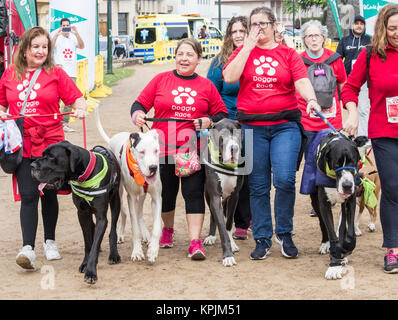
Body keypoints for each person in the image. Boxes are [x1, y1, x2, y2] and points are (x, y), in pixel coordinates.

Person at [223, 7, 321, 260]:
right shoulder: (242, 52)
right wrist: (247, 47)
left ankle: (284, 233)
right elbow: (230, 78)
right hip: (252, 127)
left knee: (286, 179)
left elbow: (301, 81)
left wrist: (310, 98)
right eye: (253, 24)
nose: (258, 29)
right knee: (258, 185)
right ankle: (263, 237)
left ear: (274, 26)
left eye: (262, 24)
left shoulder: (288, 54)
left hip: (284, 125)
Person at [130, 38, 228, 260]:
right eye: (180, 54)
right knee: (166, 194)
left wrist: (208, 121)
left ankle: (195, 242)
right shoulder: (160, 80)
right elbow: (138, 105)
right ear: (175, 57)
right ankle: (167, 230)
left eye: (190, 54)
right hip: (160, 151)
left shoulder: (206, 86)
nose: (184, 58)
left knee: (193, 193)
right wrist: (137, 115)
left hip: (191, 150)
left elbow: (221, 114)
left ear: (199, 59)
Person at [0, 26, 86, 270]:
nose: (40, 51)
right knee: (28, 195)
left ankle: (50, 241)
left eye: (44, 47)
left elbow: (77, 98)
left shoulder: (56, 73)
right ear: (24, 48)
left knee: (48, 193)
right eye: (35, 46)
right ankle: (28, 248)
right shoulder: (9, 74)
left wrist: (79, 107)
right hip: (22, 144)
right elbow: (1, 104)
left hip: (52, 145)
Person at [341, 4, 398, 274]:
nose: (397, 33)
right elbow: (350, 88)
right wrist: (352, 113)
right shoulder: (369, 55)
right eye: (392, 28)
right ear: (383, 30)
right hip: (385, 132)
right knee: (392, 186)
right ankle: (392, 250)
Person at [206, 16, 251, 240]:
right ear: (228, 35)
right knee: (224, 173)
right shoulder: (219, 62)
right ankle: (218, 224)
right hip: (227, 125)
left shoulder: (257, 58)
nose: (238, 35)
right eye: (234, 31)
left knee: (247, 175)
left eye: (243, 30)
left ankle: (243, 222)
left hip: (252, 124)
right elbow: (209, 92)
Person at [297, 20, 347, 217]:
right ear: (304, 40)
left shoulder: (335, 59)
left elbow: (343, 84)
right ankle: (316, 201)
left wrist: (348, 109)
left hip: (331, 122)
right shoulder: (298, 60)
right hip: (308, 122)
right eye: (309, 36)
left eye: (317, 35)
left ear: (324, 37)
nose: (314, 39)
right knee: (312, 163)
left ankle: (335, 193)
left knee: (334, 160)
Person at [336, 15, 371, 137]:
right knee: (349, 109)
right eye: (357, 23)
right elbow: (338, 59)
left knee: (363, 109)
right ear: (352, 25)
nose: (359, 26)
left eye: (361, 23)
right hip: (347, 81)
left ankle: (363, 137)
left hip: (364, 81)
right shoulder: (344, 41)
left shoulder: (370, 40)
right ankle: (352, 135)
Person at [51, 18, 85, 133]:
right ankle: (55, 122)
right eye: (64, 25)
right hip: (59, 72)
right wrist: (57, 34)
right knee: (56, 98)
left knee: (70, 99)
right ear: (60, 26)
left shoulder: (73, 37)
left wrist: (76, 33)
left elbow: (81, 46)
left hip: (71, 72)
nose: (66, 27)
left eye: (67, 25)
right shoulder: (57, 37)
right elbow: (50, 48)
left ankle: (64, 123)